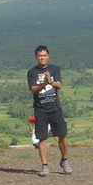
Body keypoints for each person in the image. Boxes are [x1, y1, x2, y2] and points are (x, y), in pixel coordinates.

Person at [27, 46, 71, 177]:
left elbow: (59, 85)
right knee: (42, 138)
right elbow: (33, 90)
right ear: (36, 57)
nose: (42, 58)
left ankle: (64, 160)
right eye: (40, 56)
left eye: (44, 55)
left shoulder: (54, 69)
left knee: (62, 135)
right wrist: (44, 84)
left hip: (55, 108)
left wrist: (50, 82)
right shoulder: (32, 72)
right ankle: (45, 165)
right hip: (40, 109)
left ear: (48, 56)